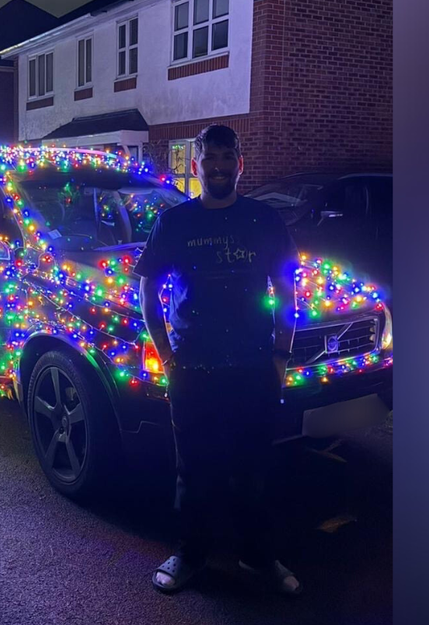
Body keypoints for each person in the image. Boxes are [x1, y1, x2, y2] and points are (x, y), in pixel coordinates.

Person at [134, 124, 302, 596]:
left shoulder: (265, 221)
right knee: (195, 470)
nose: (220, 167)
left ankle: (258, 557)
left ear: (240, 164)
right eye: (211, 159)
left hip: (253, 368)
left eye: (228, 159)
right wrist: (166, 355)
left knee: (253, 471)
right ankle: (191, 554)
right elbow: (147, 288)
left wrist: (280, 358)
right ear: (196, 166)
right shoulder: (176, 222)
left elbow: (287, 290)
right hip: (193, 370)